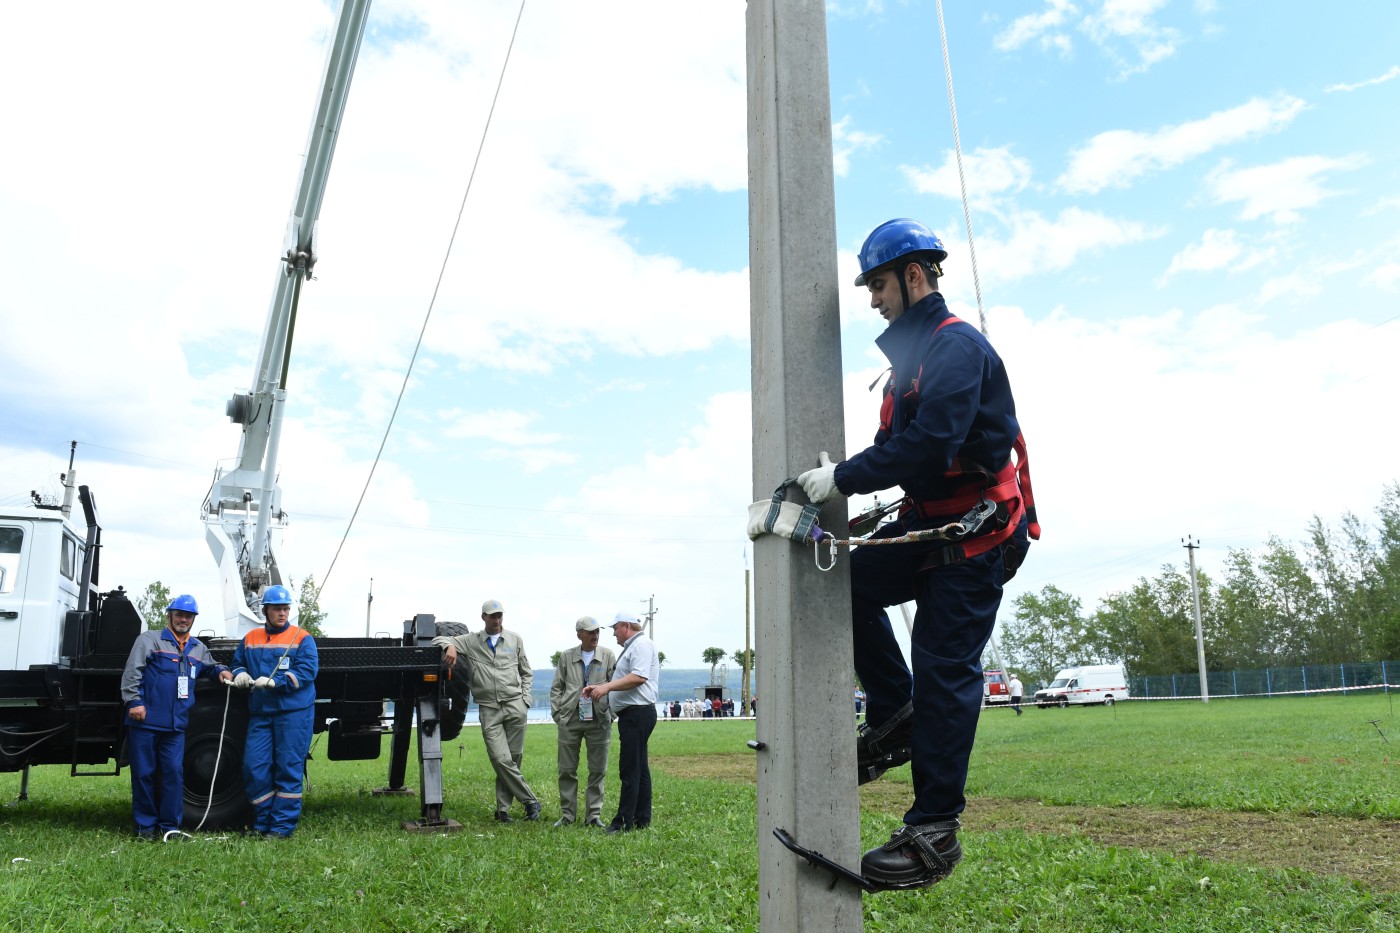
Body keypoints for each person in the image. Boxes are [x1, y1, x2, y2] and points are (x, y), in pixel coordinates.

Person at [797, 218, 1037, 890]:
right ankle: (895, 709)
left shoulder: (956, 347)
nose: (872, 299)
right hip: (932, 525)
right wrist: (849, 473)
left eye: (878, 284)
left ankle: (935, 830)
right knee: (841, 582)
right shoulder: (910, 359)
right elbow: (905, 452)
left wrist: (842, 478)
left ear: (913, 275)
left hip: (978, 536)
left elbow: (932, 446)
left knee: (945, 666)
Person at [121, 594, 232, 841]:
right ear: (169, 615)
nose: (183, 620)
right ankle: (145, 829)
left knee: (173, 773)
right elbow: (132, 672)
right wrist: (135, 702)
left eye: (188, 616)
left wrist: (222, 671)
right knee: (144, 774)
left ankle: (169, 827)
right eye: (179, 615)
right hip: (145, 721)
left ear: (193, 619)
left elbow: (211, 666)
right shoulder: (149, 640)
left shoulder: (197, 648)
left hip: (175, 726)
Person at [433, 599, 541, 822]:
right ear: (483, 617)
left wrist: (526, 700)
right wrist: (450, 646)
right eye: (492, 616)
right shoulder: (472, 640)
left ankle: (502, 811)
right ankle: (531, 801)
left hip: (515, 704)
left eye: (500, 615)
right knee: (500, 758)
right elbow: (438, 637)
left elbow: (526, 672)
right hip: (489, 708)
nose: (497, 619)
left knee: (513, 758)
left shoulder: (514, 639)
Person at [229, 584, 319, 839]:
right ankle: (264, 821)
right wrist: (241, 674)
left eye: (286, 609)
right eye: (277, 609)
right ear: (265, 610)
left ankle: (280, 829)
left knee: (288, 769)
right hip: (261, 713)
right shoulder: (251, 638)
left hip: (293, 714)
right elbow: (237, 663)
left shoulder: (302, 638)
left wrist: (277, 681)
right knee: (253, 768)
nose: (282, 613)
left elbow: (307, 670)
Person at [582, 611, 659, 834]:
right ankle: (641, 818)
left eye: (615, 628)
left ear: (626, 626)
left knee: (629, 770)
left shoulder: (641, 645)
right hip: (634, 714)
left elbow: (638, 677)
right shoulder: (634, 646)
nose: (613, 634)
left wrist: (605, 688)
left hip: (637, 713)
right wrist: (600, 686)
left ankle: (622, 822)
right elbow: (626, 677)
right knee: (640, 768)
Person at [549, 616, 616, 828]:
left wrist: (611, 713)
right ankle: (568, 815)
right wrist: (558, 715)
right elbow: (557, 687)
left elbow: (615, 686)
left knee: (598, 769)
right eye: (590, 631)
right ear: (579, 634)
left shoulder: (607, 655)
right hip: (570, 718)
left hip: (599, 719)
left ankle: (593, 816)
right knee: (567, 769)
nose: (595, 635)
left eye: (597, 631)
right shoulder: (567, 656)